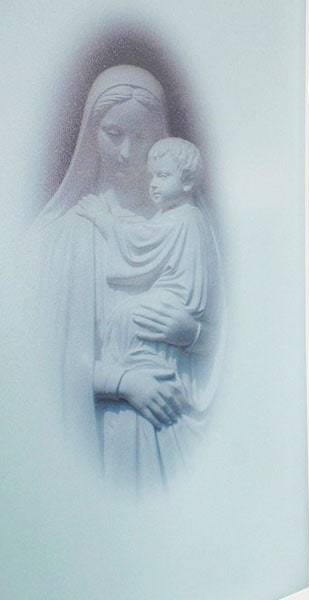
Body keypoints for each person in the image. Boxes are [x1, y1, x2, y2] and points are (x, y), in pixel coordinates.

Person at [27, 65, 219, 486]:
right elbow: (37, 365)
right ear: (90, 135)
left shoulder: (191, 224)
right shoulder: (61, 236)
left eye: (143, 137)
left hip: (178, 434)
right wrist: (124, 382)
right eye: (114, 134)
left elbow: (232, 346)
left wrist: (192, 335)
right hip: (108, 443)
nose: (128, 153)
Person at [74, 137, 220, 488]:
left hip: (161, 336)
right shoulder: (176, 218)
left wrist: (103, 218)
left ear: (186, 182)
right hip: (143, 356)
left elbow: (136, 244)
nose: (153, 183)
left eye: (163, 175)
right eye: (152, 175)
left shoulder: (185, 219)